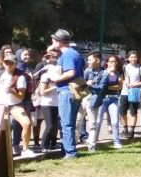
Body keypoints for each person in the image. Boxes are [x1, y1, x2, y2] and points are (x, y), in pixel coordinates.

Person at [48, 29, 84, 160]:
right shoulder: (72, 53)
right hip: (73, 91)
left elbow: (70, 72)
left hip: (67, 91)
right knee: (69, 122)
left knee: (66, 123)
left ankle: (70, 153)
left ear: (60, 41)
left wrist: (56, 79)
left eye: (54, 39)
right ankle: (68, 150)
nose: (51, 41)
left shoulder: (68, 54)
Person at [0, 54, 36, 158]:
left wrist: (11, 91)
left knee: (26, 124)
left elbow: (21, 97)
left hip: (14, 104)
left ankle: (25, 149)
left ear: (15, 64)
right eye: (6, 62)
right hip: (0, 105)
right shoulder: (0, 73)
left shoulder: (20, 77)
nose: (8, 65)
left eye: (11, 62)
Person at [83, 51, 109, 152]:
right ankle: (74, 144)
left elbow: (100, 89)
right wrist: (86, 83)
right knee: (77, 121)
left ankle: (92, 146)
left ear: (97, 60)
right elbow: (83, 84)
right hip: (83, 99)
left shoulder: (104, 73)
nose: (88, 61)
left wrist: (90, 85)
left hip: (94, 100)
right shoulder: (87, 70)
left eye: (90, 59)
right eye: (88, 60)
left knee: (93, 124)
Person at [98, 54, 124, 149]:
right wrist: (107, 86)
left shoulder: (118, 73)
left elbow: (119, 86)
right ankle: (95, 140)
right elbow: (99, 86)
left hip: (114, 98)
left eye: (114, 61)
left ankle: (116, 142)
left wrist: (106, 87)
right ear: (107, 62)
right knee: (98, 121)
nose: (113, 63)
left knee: (115, 121)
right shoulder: (103, 72)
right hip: (102, 98)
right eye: (110, 61)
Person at [37, 49, 61, 151]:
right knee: (49, 125)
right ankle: (43, 146)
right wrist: (55, 86)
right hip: (46, 103)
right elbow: (42, 92)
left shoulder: (59, 73)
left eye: (57, 58)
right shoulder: (45, 74)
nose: (56, 60)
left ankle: (52, 144)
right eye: (54, 58)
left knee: (55, 125)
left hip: (56, 103)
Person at [121, 50, 141, 138]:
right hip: (124, 91)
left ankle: (131, 130)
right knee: (122, 112)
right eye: (131, 57)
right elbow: (122, 78)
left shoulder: (140, 67)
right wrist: (124, 82)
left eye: (135, 57)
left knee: (133, 111)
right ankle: (125, 129)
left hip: (134, 91)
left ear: (137, 58)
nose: (133, 59)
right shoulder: (125, 67)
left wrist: (134, 84)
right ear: (128, 58)